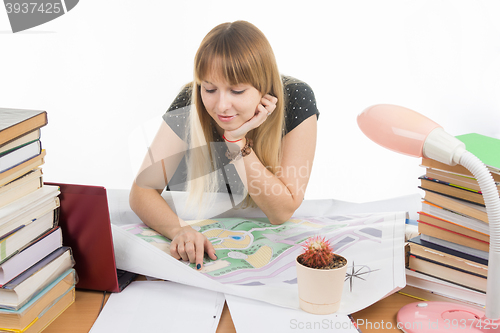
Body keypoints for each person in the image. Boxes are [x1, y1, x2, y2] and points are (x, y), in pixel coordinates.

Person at [129, 20, 319, 271]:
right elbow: (141, 191)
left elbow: (281, 211)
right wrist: (180, 230)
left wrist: (236, 141)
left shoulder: (296, 97)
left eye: (237, 91)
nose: (221, 106)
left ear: (265, 88)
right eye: (209, 88)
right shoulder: (191, 99)